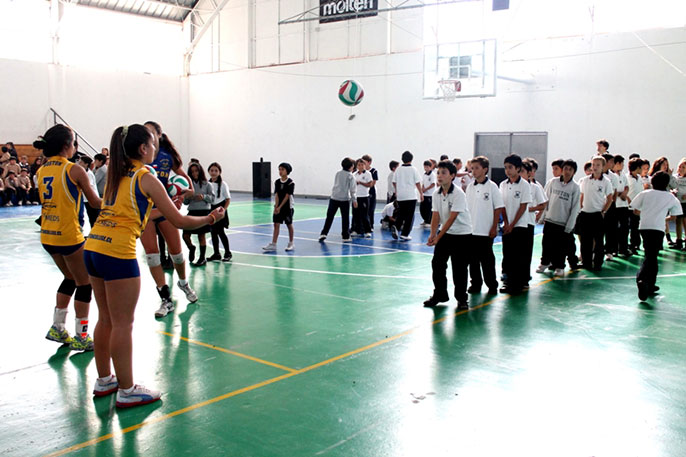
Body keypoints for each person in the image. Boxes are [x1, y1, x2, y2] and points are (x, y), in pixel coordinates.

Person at [86, 124, 224, 407]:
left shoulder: (116, 174)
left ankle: (105, 381)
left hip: (94, 248)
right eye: (153, 144)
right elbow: (181, 221)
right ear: (143, 149)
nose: (156, 149)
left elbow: (119, 207)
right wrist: (211, 218)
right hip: (117, 254)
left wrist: (164, 203)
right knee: (123, 324)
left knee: (107, 320)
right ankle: (127, 390)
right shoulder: (146, 177)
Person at [35, 124, 102, 351]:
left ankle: (57, 327)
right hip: (69, 236)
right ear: (66, 146)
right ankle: (82, 336)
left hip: (48, 235)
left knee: (70, 278)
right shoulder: (74, 170)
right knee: (86, 283)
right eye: (74, 143)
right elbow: (95, 203)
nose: (75, 147)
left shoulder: (41, 170)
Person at [141, 121, 197, 318]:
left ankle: (183, 283)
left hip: (165, 209)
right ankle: (165, 298)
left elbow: (184, 178)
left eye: (150, 131)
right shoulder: (139, 158)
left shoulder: (166, 157)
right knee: (152, 255)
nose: (147, 135)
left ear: (159, 135)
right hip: (147, 213)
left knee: (177, 254)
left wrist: (184, 194)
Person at [423, 160, 472, 310]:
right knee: (437, 263)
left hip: (462, 234)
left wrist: (438, 236)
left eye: (443, 173)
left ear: (452, 176)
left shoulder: (458, 194)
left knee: (459, 268)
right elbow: (436, 215)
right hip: (446, 232)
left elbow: (452, 218)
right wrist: (432, 234)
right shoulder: (436, 193)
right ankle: (440, 294)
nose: (439, 175)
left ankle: (462, 299)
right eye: (438, 172)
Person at [630, 171, 682, 301]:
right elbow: (674, 217)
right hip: (658, 228)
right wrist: (663, 218)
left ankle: (649, 284)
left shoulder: (645, 194)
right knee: (651, 256)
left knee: (650, 255)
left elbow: (635, 210)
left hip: (644, 227)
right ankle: (642, 280)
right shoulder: (670, 197)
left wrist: (645, 214)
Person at [465, 156, 503, 294]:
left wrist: (494, 227)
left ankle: (492, 284)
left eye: (477, 168)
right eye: (472, 168)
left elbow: (497, 207)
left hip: (486, 231)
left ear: (485, 169)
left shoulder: (492, 186)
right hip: (471, 230)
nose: (473, 171)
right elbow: (466, 208)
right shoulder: (470, 187)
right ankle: (475, 284)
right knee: (472, 260)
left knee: (487, 260)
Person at [537, 160, 581, 276]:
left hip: (563, 223)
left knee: (560, 247)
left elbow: (575, 208)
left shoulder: (575, 187)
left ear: (574, 172)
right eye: (565, 168)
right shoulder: (553, 182)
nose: (567, 171)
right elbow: (546, 200)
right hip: (550, 220)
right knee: (546, 244)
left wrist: (570, 226)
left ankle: (560, 266)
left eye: (570, 169)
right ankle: (544, 263)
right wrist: (542, 217)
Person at [499, 154, 532, 294]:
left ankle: (518, 284)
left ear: (518, 168)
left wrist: (512, 224)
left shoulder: (525, 185)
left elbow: (523, 207)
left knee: (519, 256)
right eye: (506, 167)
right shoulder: (503, 185)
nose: (507, 170)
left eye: (510, 167)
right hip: (507, 226)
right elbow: (502, 205)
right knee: (508, 255)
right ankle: (508, 283)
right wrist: (506, 222)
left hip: (519, 226)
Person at [577, 156, 614, 270]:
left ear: (603, 167)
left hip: (597, 214)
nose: (595, 167)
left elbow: (610, 198)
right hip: (585, 214)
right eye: (593, 165)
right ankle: (586, 262)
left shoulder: (606, 182)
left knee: (598, 241)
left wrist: (603, 210)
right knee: (585, 240)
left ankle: (598, 263)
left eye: (598, 165)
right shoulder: (585, 180)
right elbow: (581, 195)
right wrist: (580, 207)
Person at [182, 162, 214, 266]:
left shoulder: (207, 184)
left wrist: (203, 197)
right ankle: (191, 247)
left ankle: (202, 258)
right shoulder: (188, 185)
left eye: (196, 171)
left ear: (200, 171)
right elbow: (185, 202)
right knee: (185, 235)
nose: (194, 173)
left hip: (203, 212)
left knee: (201, 236)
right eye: (192, 172)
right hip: (192, 212)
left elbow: (213, 199)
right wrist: (188, 196)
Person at [319, 158, 357, 242]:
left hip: (334, 198)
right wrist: (354, 200)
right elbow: (352, 190)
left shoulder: (338, 173)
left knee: (329, 216)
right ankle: (345, 236)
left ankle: (324, 233)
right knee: (345, 218)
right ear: (351, 167)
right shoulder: (351, 176)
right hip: (344, 199)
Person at [262, 162, 295, 251]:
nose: (280, 171)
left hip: (287, 207)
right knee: (276, 224)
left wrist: (280, 207)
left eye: (282, 169)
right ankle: (273, 244)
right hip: (278, 206)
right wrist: (276, 207)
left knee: (289, 224)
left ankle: (291, 243)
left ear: (287, 171)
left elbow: (287, 196)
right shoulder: (277, 182)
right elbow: (276, 195)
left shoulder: (290, 183)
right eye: (279, 169)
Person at [392, 151, 423, 241]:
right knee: (410, 215)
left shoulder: (398, 169)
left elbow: (394, 182)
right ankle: (405, 234)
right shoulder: (414, 169)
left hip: (401, 196)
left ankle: (396, 228)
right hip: (411, 195)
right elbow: (417, 182)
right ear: (411, 159)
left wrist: (397, 189)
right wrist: (421, 193)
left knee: (401, 213)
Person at [207, 162, 232, 261]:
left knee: (221, 232)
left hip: (220, 209)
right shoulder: (207, 184)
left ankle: (227, 253)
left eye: (216, 171)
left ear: (220, 172)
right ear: (208, 171)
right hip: (210, 209)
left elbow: (228, 199)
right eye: (212, 170)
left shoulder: (223, 184)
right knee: (213, 232)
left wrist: (223, 210)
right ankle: (216, 253)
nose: (213, 172)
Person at [612, 155, 631, 256]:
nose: (623, 166)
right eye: (622, 163)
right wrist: (620, 194)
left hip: (624, 205)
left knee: (625, 227)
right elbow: (611, 190)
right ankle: (613, 249)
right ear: (617, 163)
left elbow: (626, 186)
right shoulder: (610, 175)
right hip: (615, 205)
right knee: (614, 228)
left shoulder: (623, 174)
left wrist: (625, 193)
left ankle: (623, 248)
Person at [77, 154, 100, 228]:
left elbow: (88, 186)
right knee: (91, 217)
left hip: (91, 198)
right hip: (86, 199)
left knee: (93, 217)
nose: (79, 163)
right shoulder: (83, 172)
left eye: (81, 162)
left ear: (86, 164)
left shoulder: (88, 174)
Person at [351, 159, 373, 238]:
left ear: (365, 165)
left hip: (364, 197)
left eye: (362, 165)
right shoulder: (354, 174)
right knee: (355, 214)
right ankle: (355, 230)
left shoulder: (368, 174)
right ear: (356, 166)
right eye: (359, 165)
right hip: (356, 197)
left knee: (364, 214)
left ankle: (367, 230)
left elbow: (370, 184)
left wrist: (360, 183)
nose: (360, 167)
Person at [626, 157, 644, 253]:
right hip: (628, 207)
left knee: (636, 226)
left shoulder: (640, 178)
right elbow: (627, 193)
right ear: (637, 167)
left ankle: (635, 244)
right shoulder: (627, 178)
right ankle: (627, 246)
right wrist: (632, 205)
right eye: (641, 167)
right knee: (626, 227)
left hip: (638, 207)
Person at [361, 155, 378, 230]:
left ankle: (370, 225)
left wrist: (365, 185)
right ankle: (361, 225)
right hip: (362, 192)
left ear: (369, 162)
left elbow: (373, 182)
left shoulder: (373, 171)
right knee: (362, 209)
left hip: (370, 192)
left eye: (364, 162)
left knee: (370, 209)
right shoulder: (360, 171)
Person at [673, 158, 686, 251]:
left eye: (684, 167)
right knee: (678, 221)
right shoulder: (675, 178)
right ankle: (679, 241)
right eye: (680, 167)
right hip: (678, 202)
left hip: (685, 203)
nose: (681, 169)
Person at [419, 160, 436, 226]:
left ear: (430, 167)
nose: (426, 168)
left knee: (429, 208)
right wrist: (422, 190)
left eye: (427, 167)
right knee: (423, 208)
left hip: (430, 194)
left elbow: (433, 184)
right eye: (425, 167)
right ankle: (425, 220)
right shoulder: (424, 174)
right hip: (425, 194)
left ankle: (429, 221)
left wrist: (426, 189)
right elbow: (423, 183)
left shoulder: (432, 175)